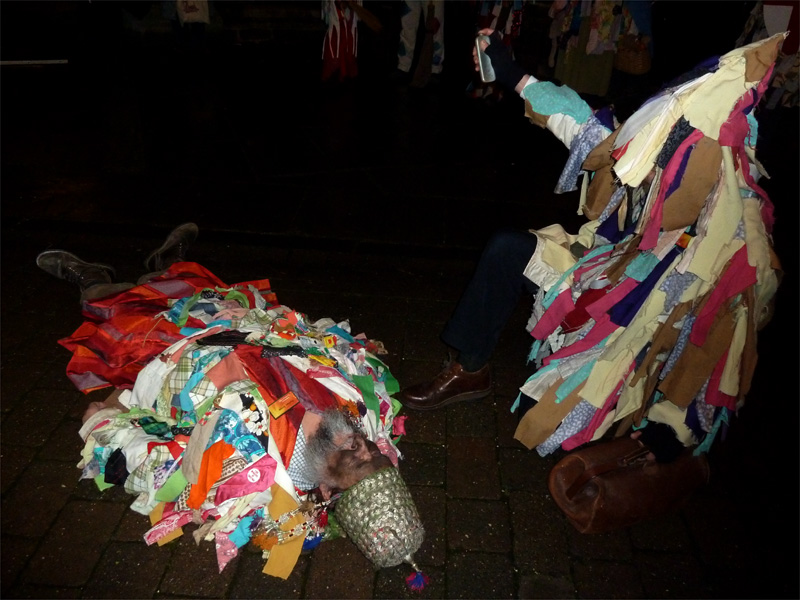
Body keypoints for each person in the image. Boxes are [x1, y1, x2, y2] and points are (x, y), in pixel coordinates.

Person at [399, 29, 786, 463]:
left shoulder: (738, 238)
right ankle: (470, 369)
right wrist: (509, 69)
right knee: (507, 248)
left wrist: (669, 433)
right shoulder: (657, 148)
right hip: (593, 274)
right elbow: (584, 127)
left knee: (551, 423)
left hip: (625, 348)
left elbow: (720, 346)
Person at [37, 225, 425, 582]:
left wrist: (107, 418)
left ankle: (91, 278)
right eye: (374, 454)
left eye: (355, 460)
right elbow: (336, 349)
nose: (363, 446)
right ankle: (168, 263)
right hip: (239, 323)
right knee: (202, 290)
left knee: (124, 322)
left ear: (327, 490)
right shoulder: (360, 415)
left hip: (178, 351)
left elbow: (152, 456)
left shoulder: (255, 467)